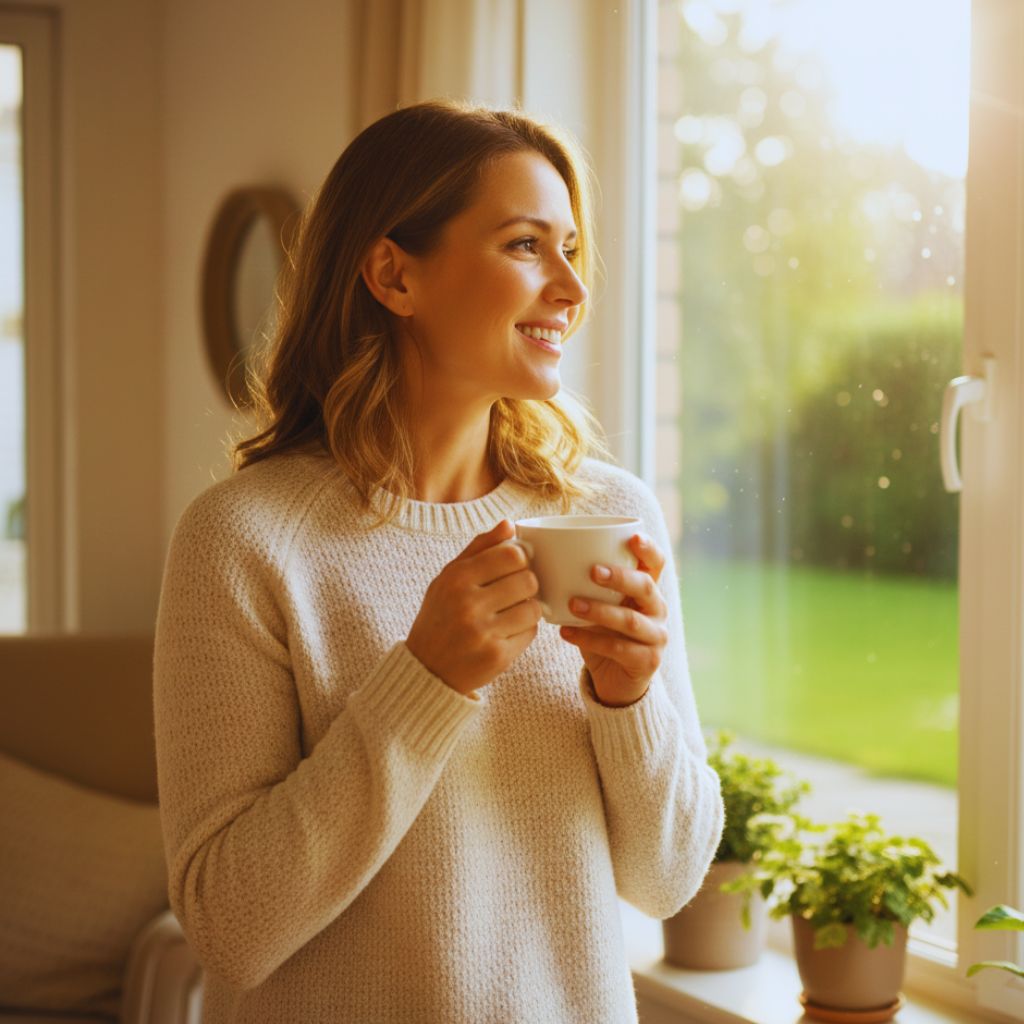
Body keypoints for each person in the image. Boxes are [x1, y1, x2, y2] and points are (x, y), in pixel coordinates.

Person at [153, 98, 723, 1024]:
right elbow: (228, 923)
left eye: (571, 249)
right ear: (393, 274)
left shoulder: (609, 514)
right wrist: (423, 683)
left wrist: (629, 702)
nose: (573, 290)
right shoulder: (245, 540)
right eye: (526, 246)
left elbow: (666, 880)